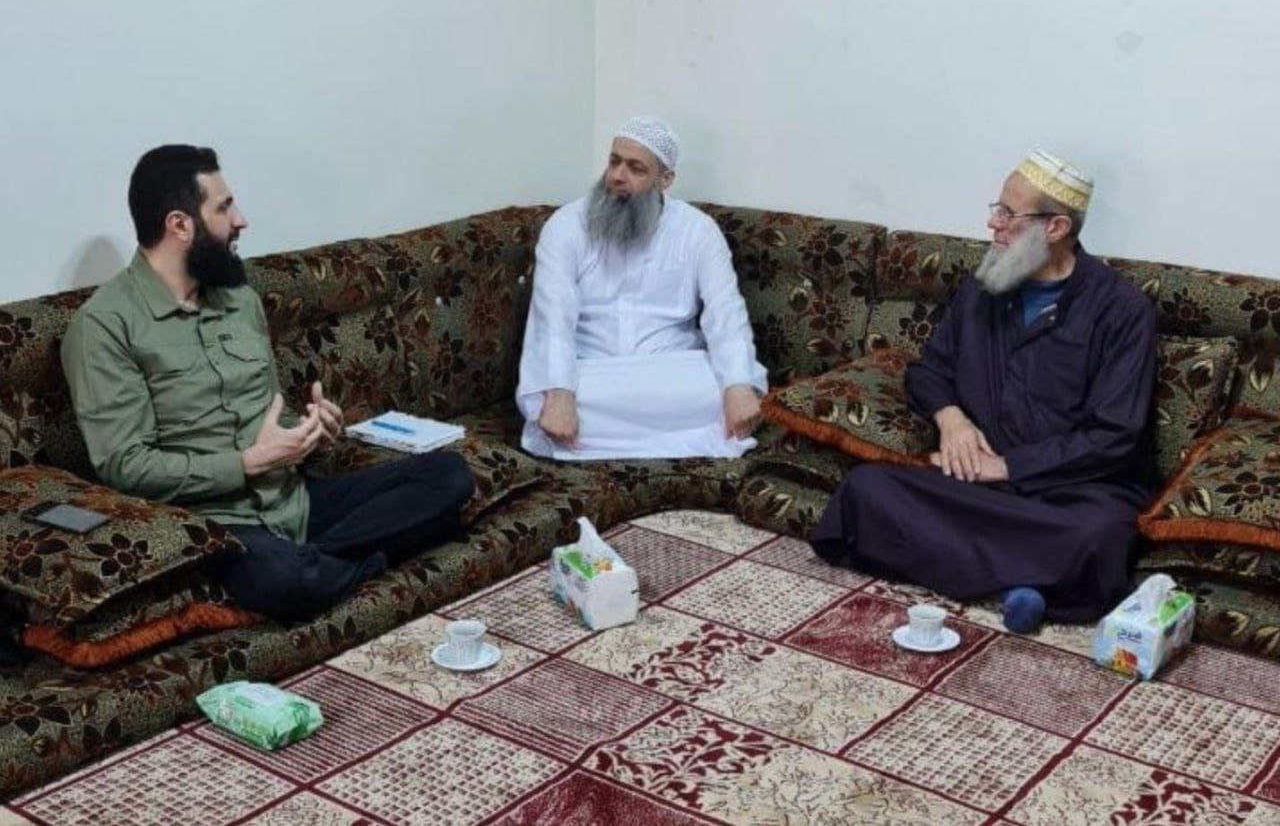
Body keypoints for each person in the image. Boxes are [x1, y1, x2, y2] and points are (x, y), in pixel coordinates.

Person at [61, 145, 474, 620]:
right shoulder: (104, 326)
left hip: (294, 502)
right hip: (216, 523)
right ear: (180, 225)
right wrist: (246, 463)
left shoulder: (239, 301)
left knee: (448, 476)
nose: (241, 220)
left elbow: (269, 417)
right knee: (286, 577)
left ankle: (320, 563)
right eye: (224, 208)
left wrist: (310, 430)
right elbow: (125, 465)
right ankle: (334, 563)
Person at [811, 150, 1156, 632]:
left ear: (1055, 227)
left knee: (1097, 539)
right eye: (997, 209)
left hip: (1071, 491)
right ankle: (1023, 584)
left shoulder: (1121, 310)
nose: (994, 224)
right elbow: (929, 370)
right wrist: (951, 419)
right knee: (867, 489)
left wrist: (1009, 466)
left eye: (1009, 215)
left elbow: (1114, 435)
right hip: (975, 484)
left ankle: (989, 572)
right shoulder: (984, 286)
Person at [516, 116, 768, 460]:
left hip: (669, 370)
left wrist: (737, 386)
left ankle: (595, 437)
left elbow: (725, 311)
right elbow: (552, 315)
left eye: (636, 168)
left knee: (727, 390)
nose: (617, 176)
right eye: (614, 161)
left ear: (665, 180)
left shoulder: (698, 231)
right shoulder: (566, 226)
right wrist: (560, 391)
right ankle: (664, 432)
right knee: (544, 399)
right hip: (590, 372)